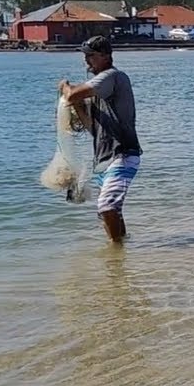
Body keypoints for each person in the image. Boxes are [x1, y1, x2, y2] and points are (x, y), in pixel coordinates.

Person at [58, 35, 142, 244]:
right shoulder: (99, 90)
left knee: (107, 206)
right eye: (85, 57)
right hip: (104, 159)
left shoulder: (112, 76)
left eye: (91, 56)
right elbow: (92, 128)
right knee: (111, 211)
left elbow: (70, 95)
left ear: (105, 56)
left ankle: (115, 255)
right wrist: (77, 105)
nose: (87, 61)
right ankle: (121, 250)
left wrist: (66, 87)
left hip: (123, 153)